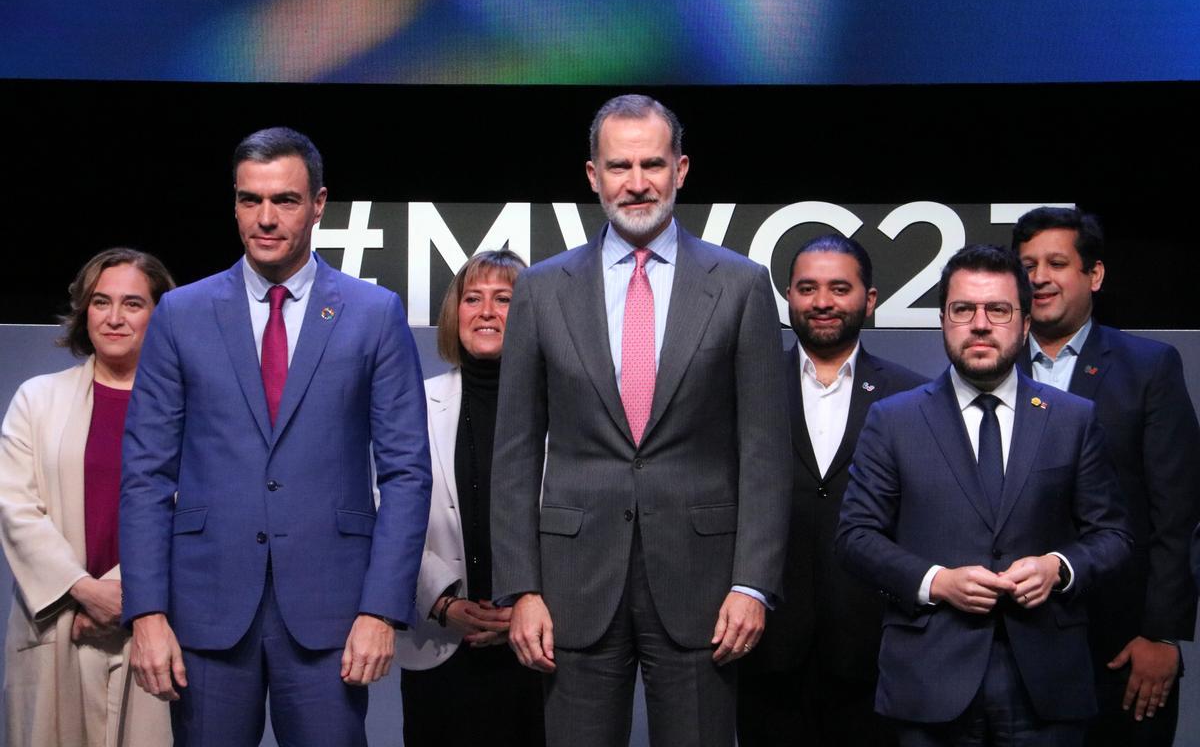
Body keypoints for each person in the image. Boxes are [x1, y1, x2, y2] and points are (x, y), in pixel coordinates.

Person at [491, 94, 791, 747]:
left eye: (651, 164)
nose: (636, 182)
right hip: (571, 583)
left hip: (705, 586)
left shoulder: (740, 285)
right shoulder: (541, 290)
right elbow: (514, 452)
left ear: (681, 169)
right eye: (619, 166)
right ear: (592, 175)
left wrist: (753, 583)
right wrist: (520, 589)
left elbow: (765, 450)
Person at [119, 127, 432, 745]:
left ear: (318, 204)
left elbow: (406, 473)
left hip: (331, 611)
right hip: (205, 610)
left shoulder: (373, 312)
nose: (265, 218)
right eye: (249, 200)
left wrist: (380, 609)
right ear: (234, 203)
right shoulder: (182, 313)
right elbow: (146, 474)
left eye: (284, 201)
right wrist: (146, 613)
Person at [836, 244, 1132, 746]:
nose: (979, 324)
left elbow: (1114, 535)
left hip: (1046, 680)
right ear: (943, 321)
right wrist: (937, 581)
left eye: (997, 309)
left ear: (1023, 323)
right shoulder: (894, 419)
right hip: (928, 680)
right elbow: (855, 537)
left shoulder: (1072, 418)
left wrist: (1057, 567)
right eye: (963, 310)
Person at [1012, 207, 1200, 747]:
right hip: (1015, 643)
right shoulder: (988, 366)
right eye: (1027, 265)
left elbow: (1178, 511)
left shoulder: (1149, 367)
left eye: (1056, 263)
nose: (1039, 278)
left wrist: (1161, 634)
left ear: (1094, 275)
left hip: (1123, 645)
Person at [737, 235, 925, 747]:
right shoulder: (744, 385)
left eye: (840, 288)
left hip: (875, 651)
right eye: (807, 288)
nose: (822, 302)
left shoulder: (915, 395)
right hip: (765, 645)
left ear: (870, 299)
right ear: (789, 298)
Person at [0, 248, 174, 747]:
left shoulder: (189, 410)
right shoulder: (37, 399)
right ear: (84, 311)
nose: (114, 318)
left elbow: (191, 507)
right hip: (57, 626)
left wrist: (126, 593)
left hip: (152, 624)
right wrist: (83, 591)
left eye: (133, 304)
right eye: (101, 302)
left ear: (160, 315)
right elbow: (17, 508)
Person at [395, 249, 544, 745]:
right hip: (440, 645)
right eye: (473, 298)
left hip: (538, 647)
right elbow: (387, 512)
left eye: (504, 299)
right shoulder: (413, 402)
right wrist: (439, 602)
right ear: (452, 313)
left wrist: (530, 602)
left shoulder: (566, 408)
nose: (485, 311)